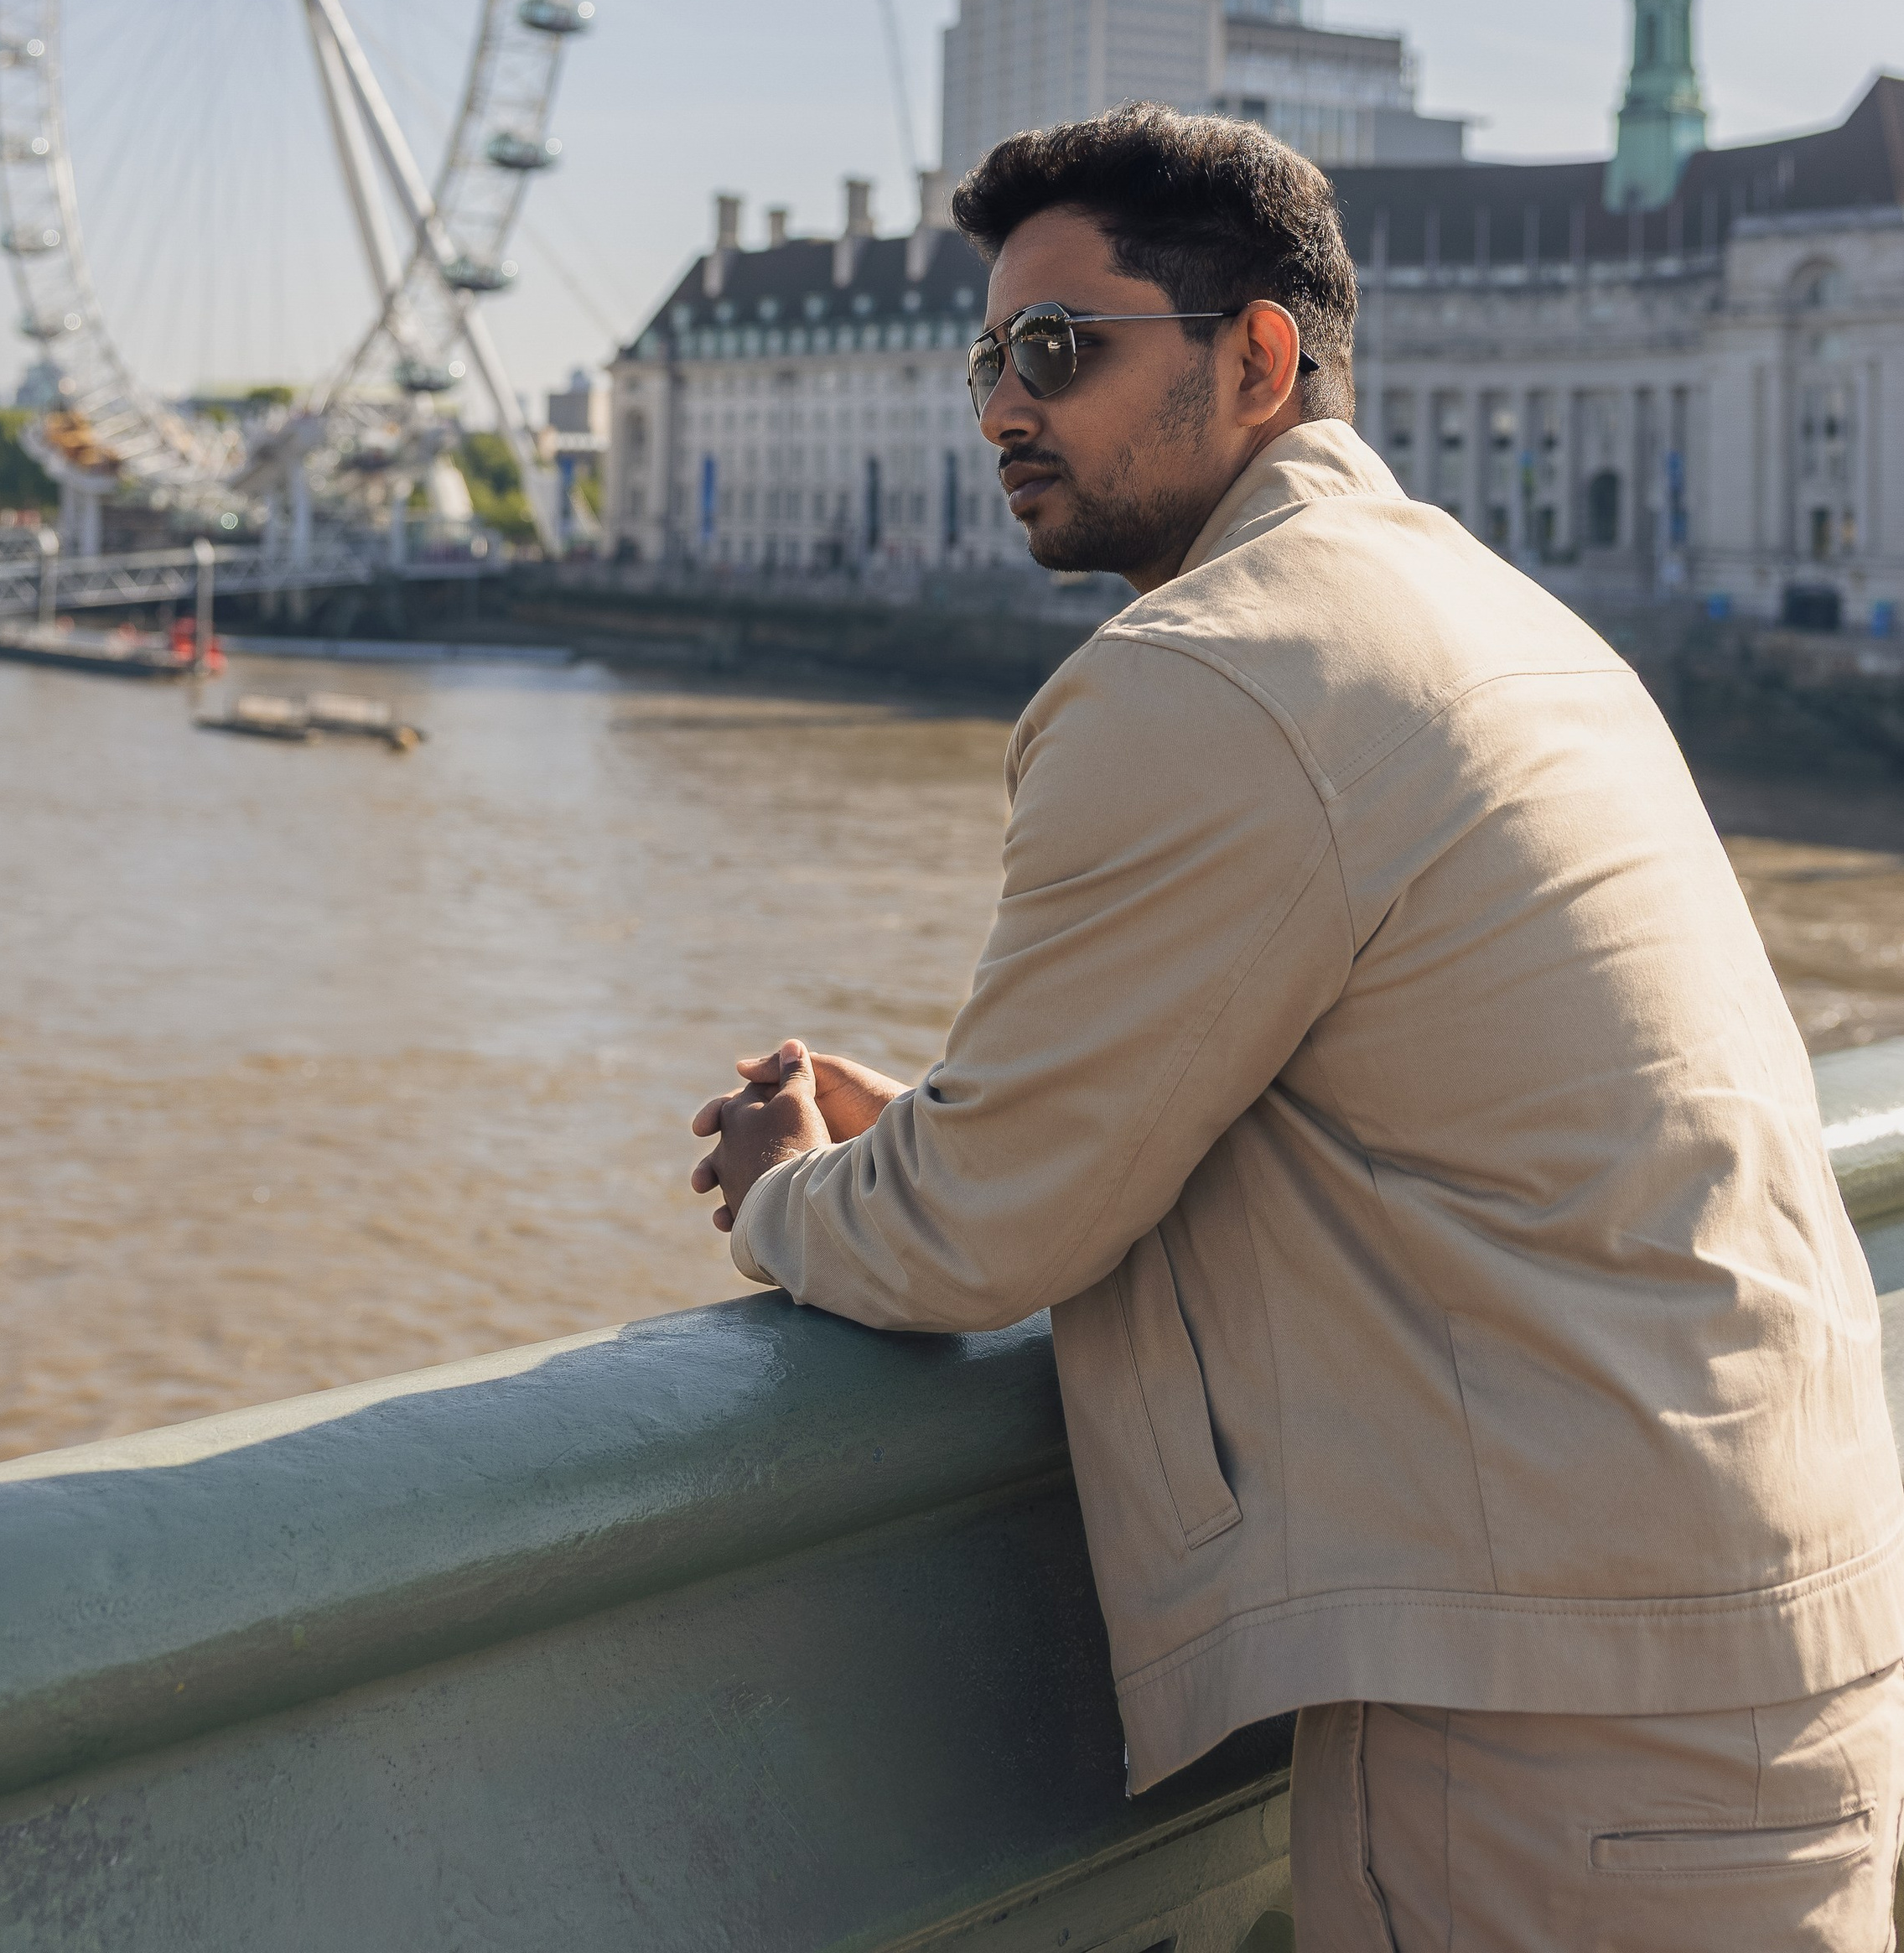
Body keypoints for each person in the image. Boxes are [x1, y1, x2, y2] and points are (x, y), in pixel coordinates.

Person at [689, 105, 1904, 1951]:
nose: (1002, 408)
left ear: (1255, 354)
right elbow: (1378, 1077)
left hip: (1552, 1728)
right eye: (984, 359)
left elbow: (977, 1229)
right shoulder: (1504, 619)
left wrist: (794, 1186)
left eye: (1057, 350)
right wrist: (952, 1110)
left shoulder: (1207, 673)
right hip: (1756, 1634)